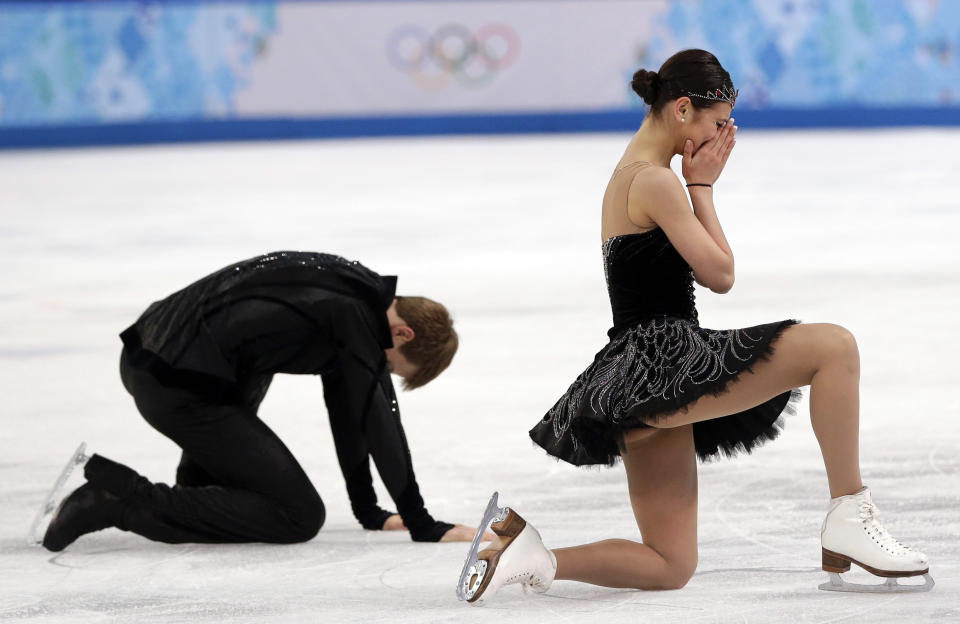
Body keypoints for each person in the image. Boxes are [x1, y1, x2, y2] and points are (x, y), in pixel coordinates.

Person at [457, 49, 932, 601]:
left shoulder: (629, 174)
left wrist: (698, 185)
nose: (719, 136)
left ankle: (529, 554)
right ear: (682, 109)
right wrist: (701, 187)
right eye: (717, 123)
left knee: (669, 564)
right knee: (834, 347)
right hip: (665, 357)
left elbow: (713, 272)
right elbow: (721, 273)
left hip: (634, 371)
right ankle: (849, 516)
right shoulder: (654, 180)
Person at [41, 250, 485, 550]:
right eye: (391, 366)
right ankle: (113, 497)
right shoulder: (352, 314)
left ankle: (184, 493)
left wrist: (369, 511)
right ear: (403, 333)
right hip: (173, 379)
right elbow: (378, 418)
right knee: (299, 516)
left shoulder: (359, 297)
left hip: (167, 360)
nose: (381, 373)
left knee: (209, 507)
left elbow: (349, 409)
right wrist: (423, 524)